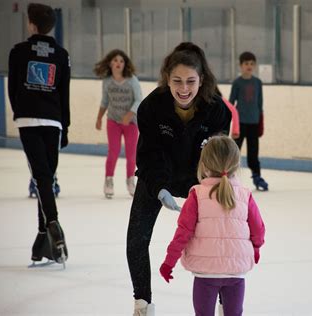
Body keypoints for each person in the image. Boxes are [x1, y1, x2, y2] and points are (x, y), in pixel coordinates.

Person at [127, 42, 231, 316]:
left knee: (223, 238)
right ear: (166, 79)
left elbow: (219, 157)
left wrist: (211, 188)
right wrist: (159, 188)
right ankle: (142, 304)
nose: (183, 88)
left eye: (190, 81)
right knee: (137, 238)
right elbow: (148, 155)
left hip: (202, 178)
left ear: (201, 80)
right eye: (177, 81)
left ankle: (224, 300)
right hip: (158, 176)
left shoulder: (218, 111)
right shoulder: (151, 108)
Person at [159, 135, 265, 316]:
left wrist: (169, 262)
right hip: (235, 273)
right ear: (236, 165)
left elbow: (183, 233)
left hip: (205, 274)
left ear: (204, 165)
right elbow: (258, 230)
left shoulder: (197, 195)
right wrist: (255, 249)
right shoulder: (245, 195)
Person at [8, 3, 70, 266]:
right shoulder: (61, 53)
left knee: (42, 177)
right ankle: (42, 239)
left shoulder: (19, 51)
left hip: (28, 120)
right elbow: (64, 92)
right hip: (53, 121)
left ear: (31, 24)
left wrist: (20, 112)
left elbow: (12, 88)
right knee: (46, 178)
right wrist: (65, 126)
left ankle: (52, 224)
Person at [94, 49, 143, 198]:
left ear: (125, 64)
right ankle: (108, 181)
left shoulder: (132, 80)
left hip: (131, 123)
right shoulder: (107, 81)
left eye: (121, 61)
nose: (118, 63)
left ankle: (130, 181)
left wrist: (129, 114)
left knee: (131, 154)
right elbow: (105, 101)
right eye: (115, 60)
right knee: (113, 152)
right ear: (110, 63)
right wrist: (99, 118)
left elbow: (139, 99)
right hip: (113, 121)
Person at [229, 51, 268, 191]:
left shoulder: (257, 82)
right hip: (240, 124)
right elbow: (231, 104)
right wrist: (231, 124)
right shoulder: (237, 83)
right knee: (234, 151)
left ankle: (257, 176)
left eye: (252, 63)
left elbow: (260, 103)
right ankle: (227, 176)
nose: (249, 66)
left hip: (253, 123)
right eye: (246, 63)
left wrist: (260, 122)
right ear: (240, 65)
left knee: (253, 152)